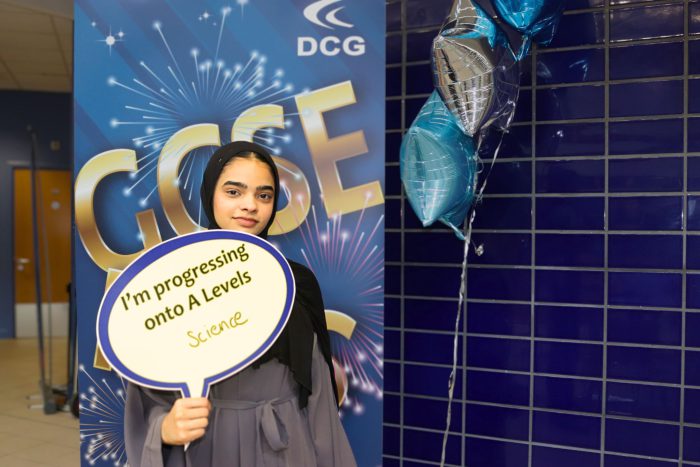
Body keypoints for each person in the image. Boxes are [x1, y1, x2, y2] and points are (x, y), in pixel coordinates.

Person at [124, 141, 357, 466]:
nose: (250, 205)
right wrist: (163, 429)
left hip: (289, 446)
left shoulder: (295, 282)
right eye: (234, 192)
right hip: (208, 444)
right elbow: (147, 395)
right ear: (210, 195)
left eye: (264, 195)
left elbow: (318, 397)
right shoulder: (176, 281)